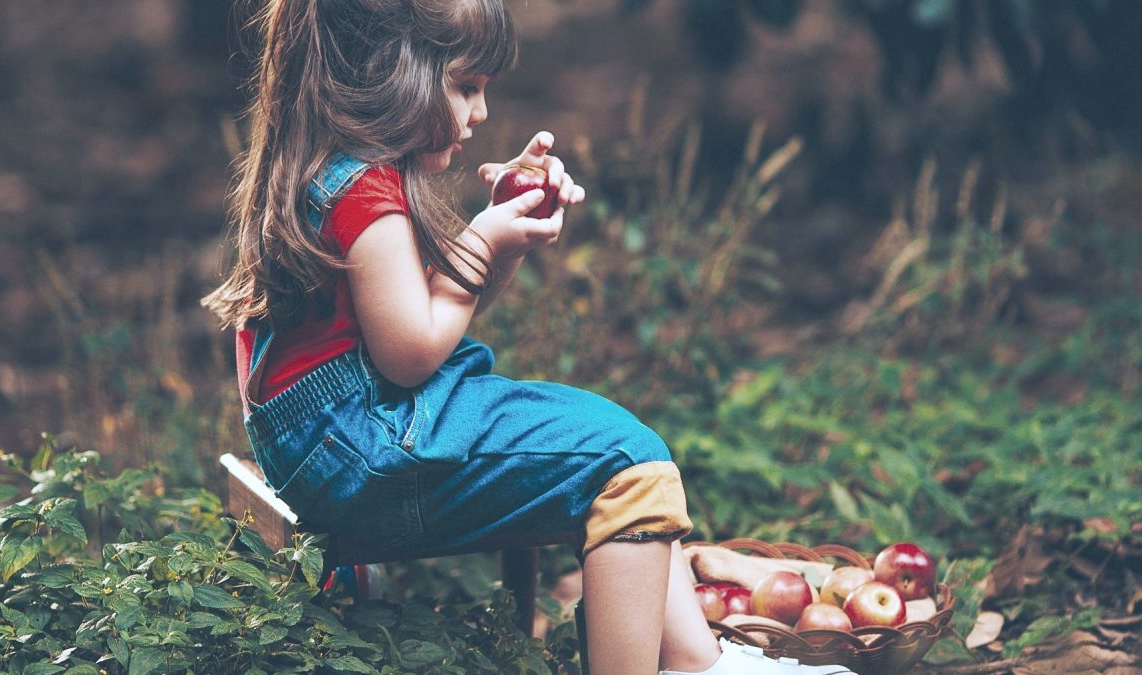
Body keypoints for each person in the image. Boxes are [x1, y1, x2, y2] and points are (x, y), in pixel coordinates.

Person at [203, 2, 857, 674]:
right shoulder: (365, 194)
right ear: (387, 74)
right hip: (365, 452)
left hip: (338, 447)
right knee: (628, 464)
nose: (480, 113)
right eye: (465, 87)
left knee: (625, 456)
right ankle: (691, 665)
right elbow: (409, 355)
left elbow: (421, 317)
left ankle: (698, 660)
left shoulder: (335, 174)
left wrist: (502, 235)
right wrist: (484, 238)